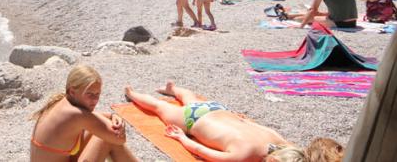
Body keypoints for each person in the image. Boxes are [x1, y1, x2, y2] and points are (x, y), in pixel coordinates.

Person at [124, 81, 339, 162]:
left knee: (189, 98)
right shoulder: (244, 156)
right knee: (159, 107)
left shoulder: (282, 143)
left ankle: (173, 89)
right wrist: (181, 137)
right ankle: (132, 94)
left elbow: (260, 127)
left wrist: (241, 120)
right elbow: (202, 151)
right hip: (194, 120)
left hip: (219, 110)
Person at [30, 65, 137, 162]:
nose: (95, 100)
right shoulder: (76, 115)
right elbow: (119, 139)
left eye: (97, 94)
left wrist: (113, 116)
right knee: (108, 139)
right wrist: (115, 124)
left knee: (103, 131)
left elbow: (92, 119)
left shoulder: (60, 102)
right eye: (89, 94)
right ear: (72, 92)